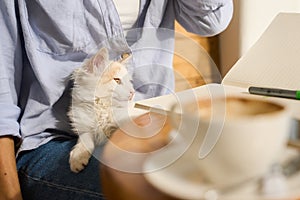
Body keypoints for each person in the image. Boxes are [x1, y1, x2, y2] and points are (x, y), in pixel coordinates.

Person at [0, 0, 233, 199]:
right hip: (55, 141)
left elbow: (210, 19)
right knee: (170, 189)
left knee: (234, 172)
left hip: (150, 131)